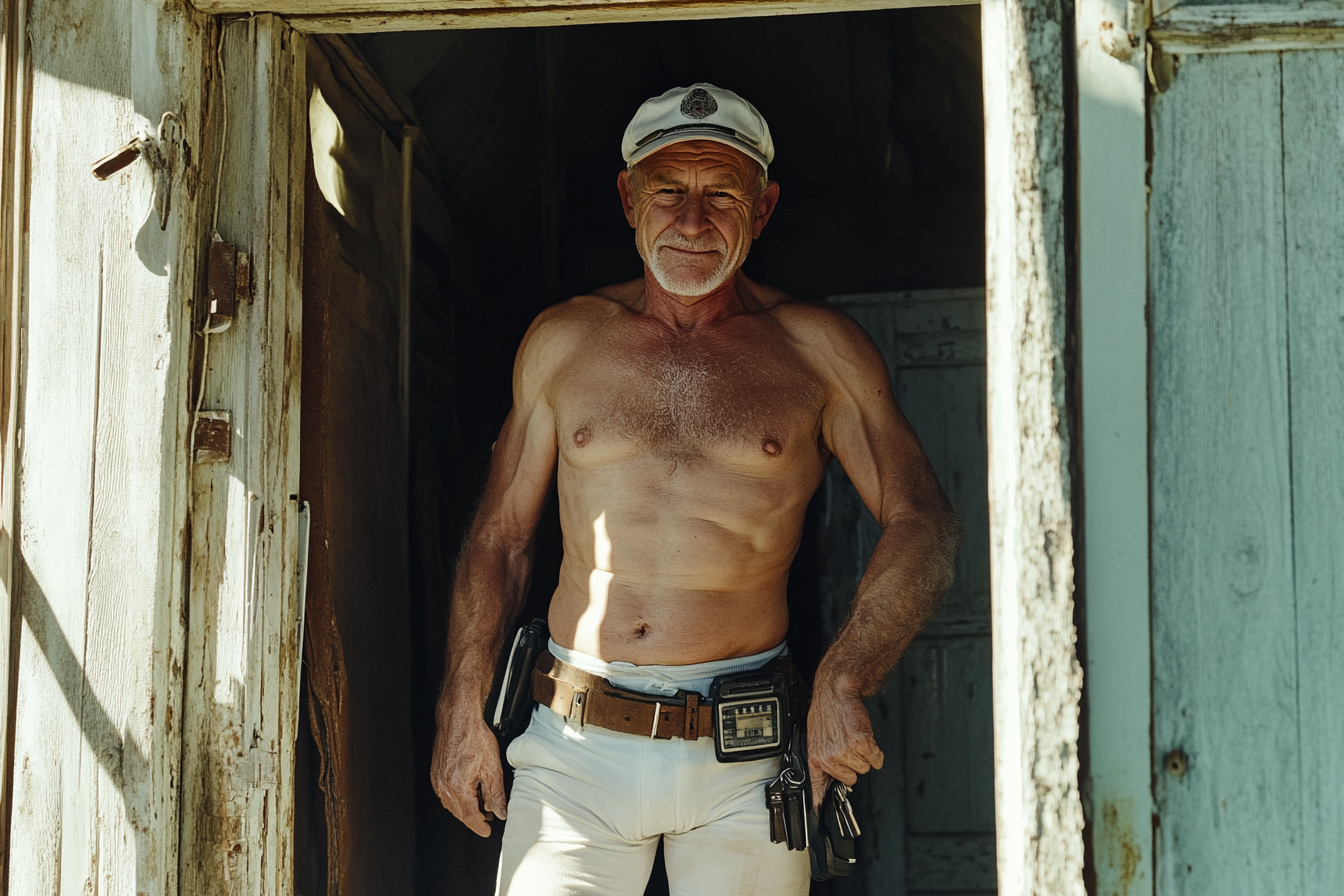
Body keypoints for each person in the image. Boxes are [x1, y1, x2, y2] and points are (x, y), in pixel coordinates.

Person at [430, 83, 959, 896]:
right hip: (572, 748)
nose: (691, 221)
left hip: (742, 759)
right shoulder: (563, 342)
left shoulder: (816, 351)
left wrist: (843, 677)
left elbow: (922, 523)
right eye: (669, 192)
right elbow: (500, 537)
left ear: (766, 206)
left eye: (721, 196)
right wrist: (460, 704)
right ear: (628, 196)